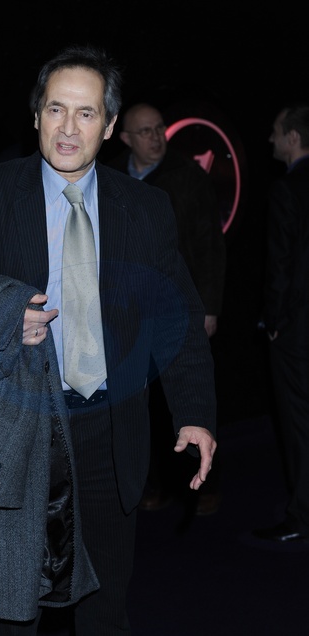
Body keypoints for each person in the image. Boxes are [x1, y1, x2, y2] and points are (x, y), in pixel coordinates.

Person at [0, 45, 217, 636]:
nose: (68, 128)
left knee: (106, 612)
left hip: (107, 436)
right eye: (55, 109)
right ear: (36, 114)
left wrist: (195, 413)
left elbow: (175, 318)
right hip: (14, 434)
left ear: (109, 124)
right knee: (6, 620)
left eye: (86, 112)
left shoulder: (145, 209)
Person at [107, 102, 226, 515]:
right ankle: (152, 484)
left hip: (179, 305)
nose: (156, 137)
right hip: (128, 313)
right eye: (145, 131)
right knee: (142, 405)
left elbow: (210, 245)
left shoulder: (187, 175)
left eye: (159, 128)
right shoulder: (108, 178)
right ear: (125, 138)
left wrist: (208, 307)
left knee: (192, 394)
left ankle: (206, 483)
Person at [252, 103, 309, 543]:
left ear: (293, 138)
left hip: (297, 330)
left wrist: (273, 322)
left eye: (275, 131)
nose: (271, 139)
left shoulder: (287, 190)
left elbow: (281, 266)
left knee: (298, 422)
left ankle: (303, 517)